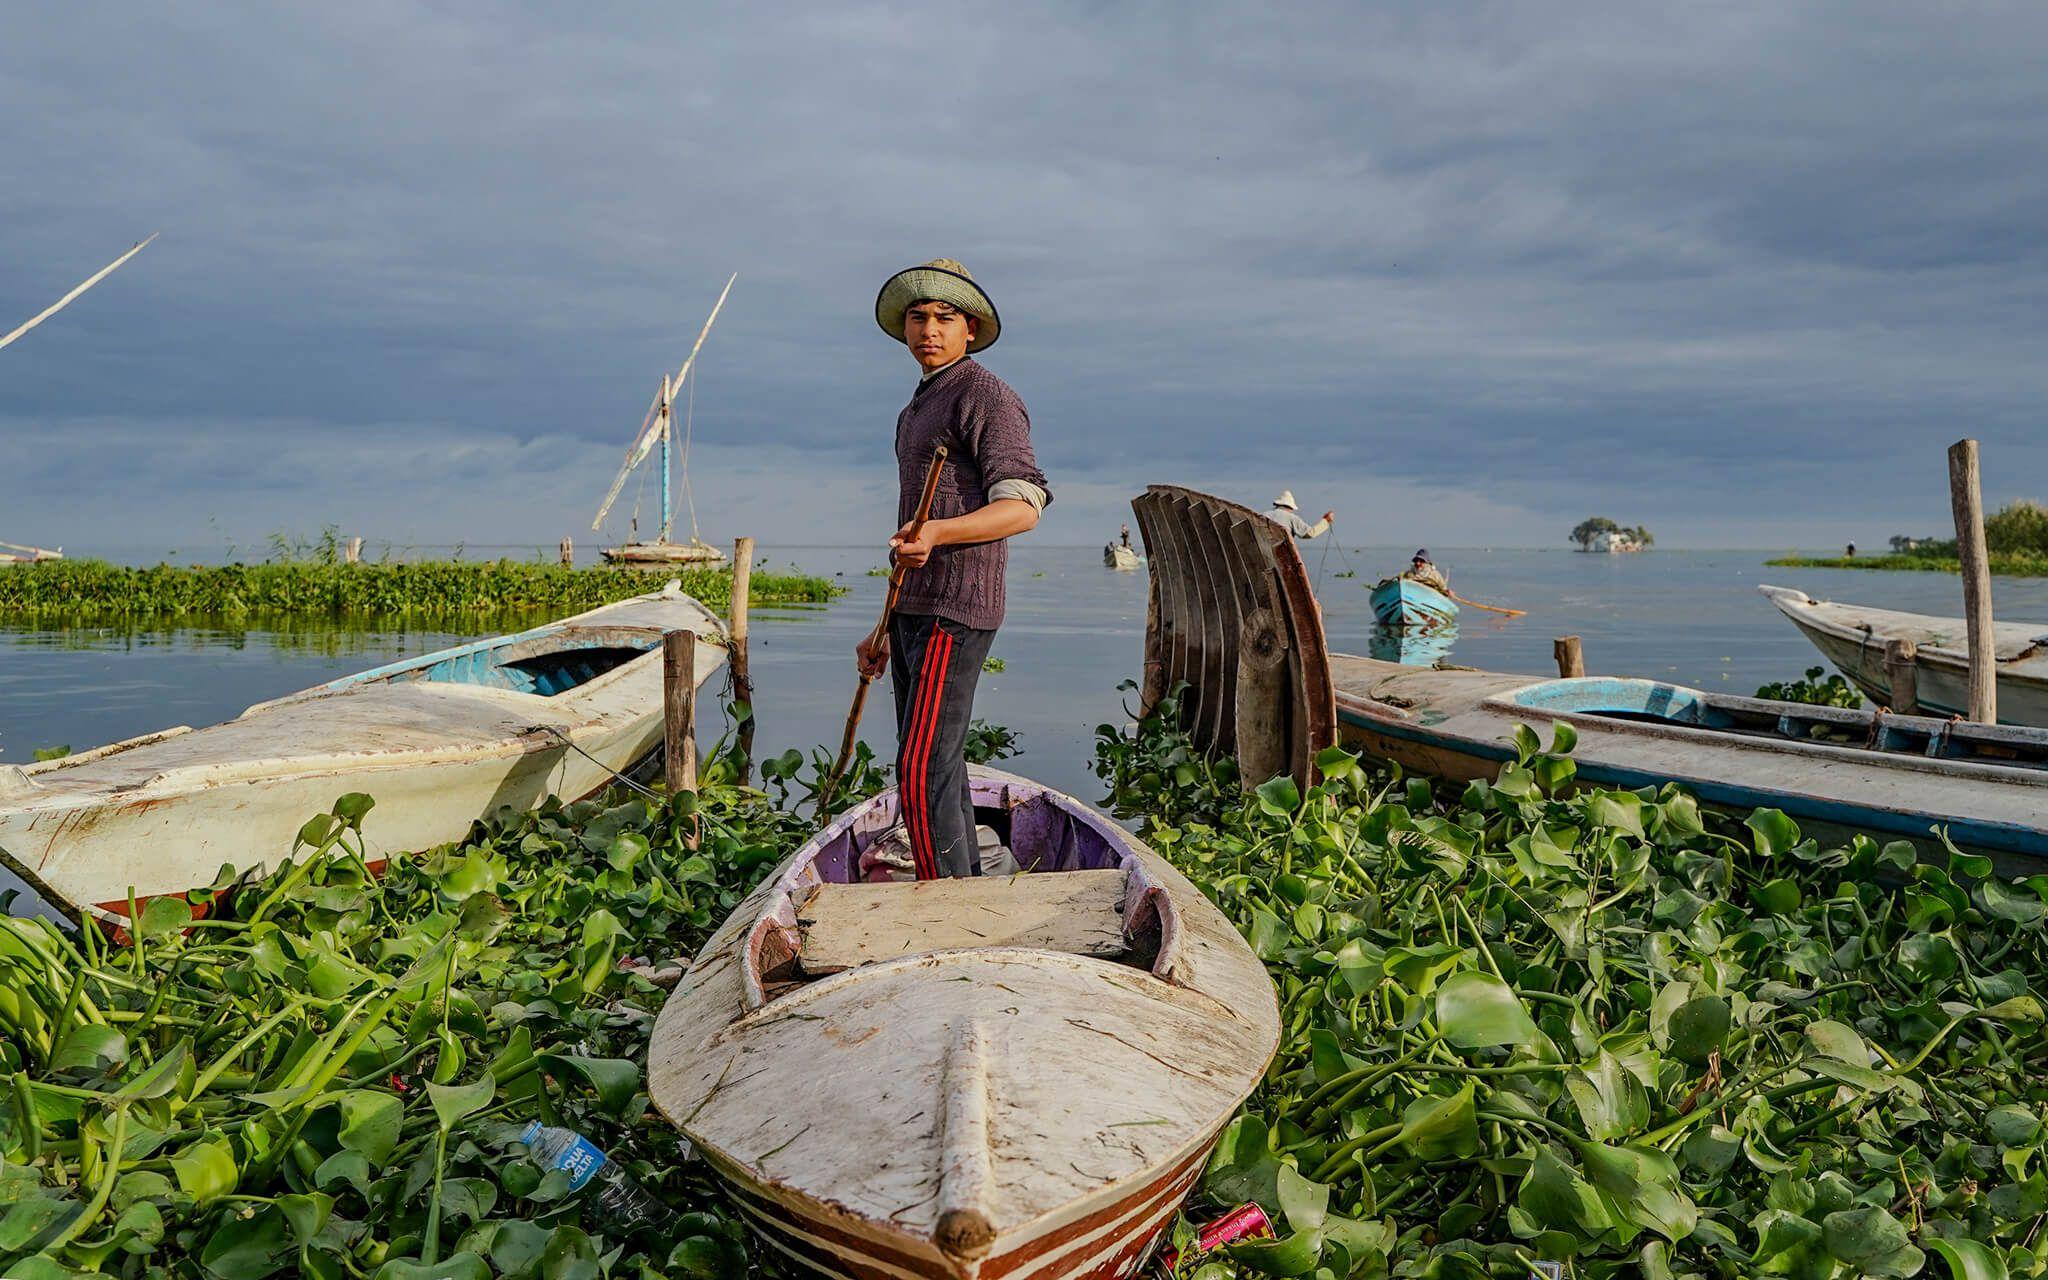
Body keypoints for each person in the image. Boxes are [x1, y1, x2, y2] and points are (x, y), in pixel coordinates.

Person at [855, 259, 1049, 879]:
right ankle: (963, 884)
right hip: (913, 607)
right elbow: (915, 525)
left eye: (945, 318)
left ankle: (947, 900)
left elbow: (1022, 507)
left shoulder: (985, 395)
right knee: (934, 764)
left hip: (954, 611)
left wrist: (939, 532)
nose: (928, 329)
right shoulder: (917, 407)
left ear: (970, 329)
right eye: (918, 317)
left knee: (922, 767)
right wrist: (881, 627)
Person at [1265, 490, 1333, 541]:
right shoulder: (1291, 518)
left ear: (1277, 505)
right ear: (1291, 507)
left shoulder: (1264, 515)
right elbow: (1310, 533)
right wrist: (1326, 521)